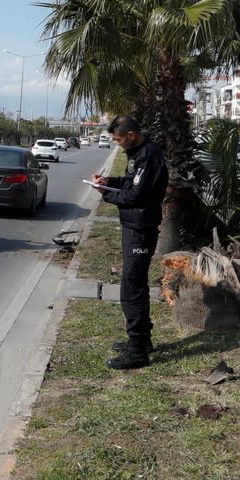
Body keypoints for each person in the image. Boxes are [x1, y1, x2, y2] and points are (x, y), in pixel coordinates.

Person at [92, 114, 169, 370]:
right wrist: (109, 183)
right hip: (134, 226)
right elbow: (130, 182)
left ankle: (137, 352)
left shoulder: (149, 155)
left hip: (141, 227)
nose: (118, 144)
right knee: (136, 284)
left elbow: (136, 195)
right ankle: (142, 341)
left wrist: (106, 196)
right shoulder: (137, 155)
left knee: (131, 287)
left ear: (131, 135)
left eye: (119, 140)